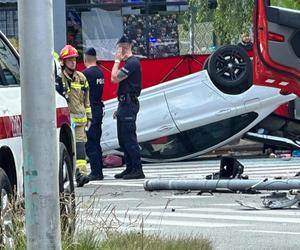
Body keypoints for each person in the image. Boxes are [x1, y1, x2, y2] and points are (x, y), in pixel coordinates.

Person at [111, 35, 145, 179]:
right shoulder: (129, 63)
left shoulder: (132, 63)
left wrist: (117, 61)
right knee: (123, 138)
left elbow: (114, 78)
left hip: (129, 104)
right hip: (124, 104)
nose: (117, 53)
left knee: (129, 138)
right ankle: (130, 168)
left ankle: (137, 169)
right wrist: (119, 108)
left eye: (118, 50)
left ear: (124, 49)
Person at [58, 45, 91, 187]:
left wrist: (89, 117)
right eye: (69, 60)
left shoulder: (81, 78)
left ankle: (81, 174)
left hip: (80, 120)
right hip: (66, 121)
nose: (72, 62)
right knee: (67, 148)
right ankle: (71, 174)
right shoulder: (59, 78)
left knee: (80, 147)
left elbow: (86, 100)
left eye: (74, 59)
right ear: (63, 62)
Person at [82, 47, 105, 181]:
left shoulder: (85, 74)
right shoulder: (100, 73)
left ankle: (96, 172)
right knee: (96, 141)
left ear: (85, 59)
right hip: (98, 109)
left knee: (90, 142)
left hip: (90, 110)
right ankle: (98, 169)